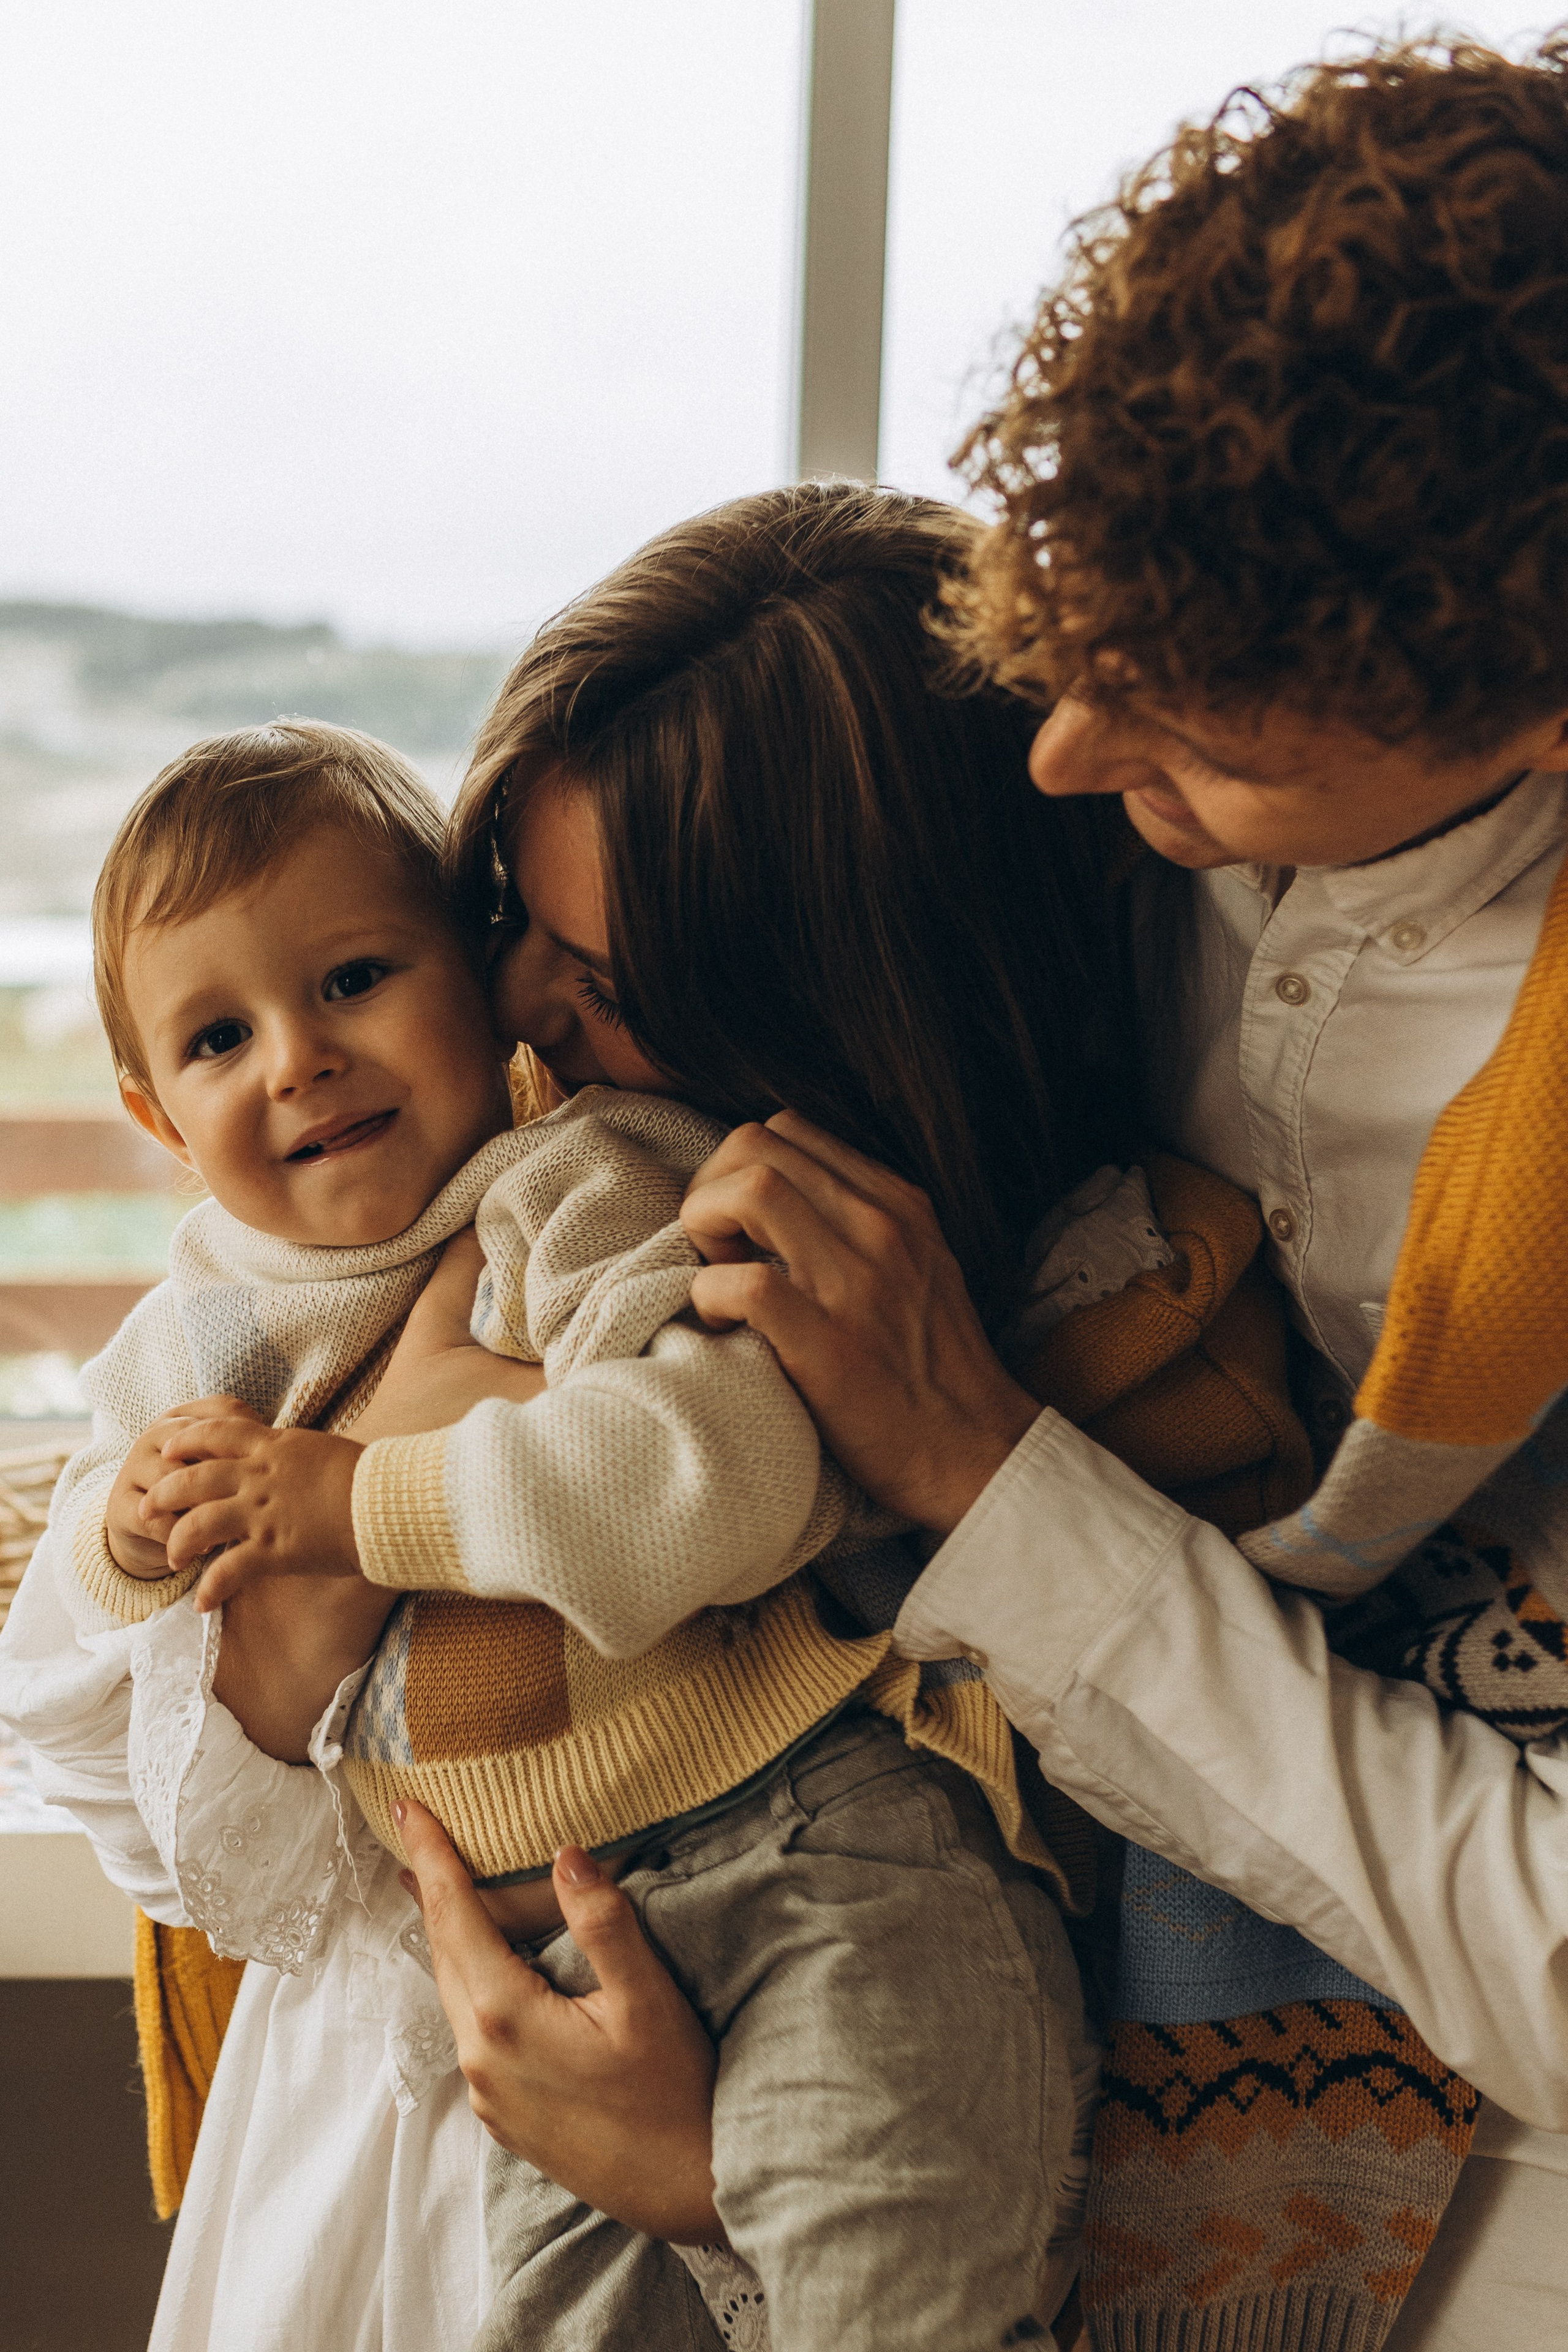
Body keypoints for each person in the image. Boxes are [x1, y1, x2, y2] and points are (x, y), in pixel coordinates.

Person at [394, 34, 1568, 2352]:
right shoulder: (1040, 846)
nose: (1067, 757)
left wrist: (749, 2177)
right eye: (1065, 640)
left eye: (1201, 733)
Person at [6, 492, 1278, 2352]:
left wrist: (363, 1504)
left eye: (608, 980)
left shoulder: (625, 1194)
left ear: (821, 1001)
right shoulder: (254, 1291)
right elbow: (120, 1766)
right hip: (422, 2033)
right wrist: (220, 1597)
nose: (524, 1002)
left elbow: (719, 1499)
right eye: (513, 919)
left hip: (700, 1986)